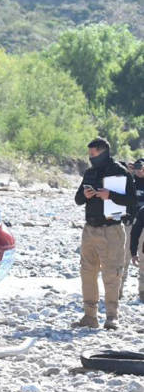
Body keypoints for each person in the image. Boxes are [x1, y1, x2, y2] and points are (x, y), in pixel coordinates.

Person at [72, 138, 136, 330]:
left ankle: (112, 316)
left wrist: (111, 196)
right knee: (87, 272)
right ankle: (90, 316)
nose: (91, 158)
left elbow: (131, 201)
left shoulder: (120, 172)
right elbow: (77, 199)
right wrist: (87, 195)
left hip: (112, 230)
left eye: (93, 154)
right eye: (90, 155)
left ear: (104, 151)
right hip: (90, 229)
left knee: (112, 273)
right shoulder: (90, 173)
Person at [128, 159, 144, 302]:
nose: (140, 170)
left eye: (142, 168)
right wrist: (128, 171)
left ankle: (142, 293)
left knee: (143, 259)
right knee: (124, 257)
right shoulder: (130, 181)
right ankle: (118, 291)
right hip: (131, 221)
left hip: (143, 222)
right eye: (137, 168)